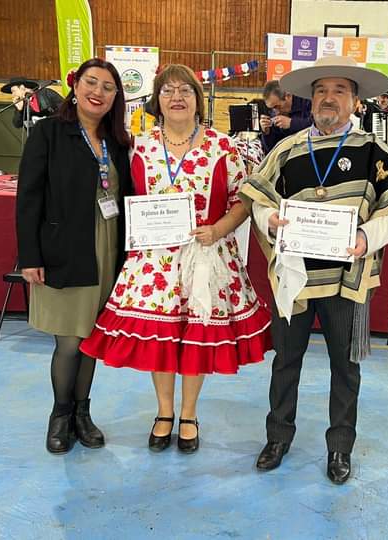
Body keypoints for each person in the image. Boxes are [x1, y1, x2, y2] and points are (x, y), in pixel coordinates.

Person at [80, 64, 272, 454]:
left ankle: (189, 413)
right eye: (168, 91)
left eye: (185, 90)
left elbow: (242, 200)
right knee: (163, 339)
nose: (177, 97)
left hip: (207, 254)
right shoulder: (140, 145)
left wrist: (218, 229)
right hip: (154, 262)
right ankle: (163, 412)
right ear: (157, 101)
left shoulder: (222, 146)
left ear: (198, 100)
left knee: (197, 338)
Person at [239, 56, 388, 484]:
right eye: (320, 91)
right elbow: (258, 198)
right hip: (294, 279)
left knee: (345, 366)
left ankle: (340, 447)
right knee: (286, 362)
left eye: (338, 91)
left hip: (346, 281)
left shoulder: (375, 152)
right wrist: (269, 220)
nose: (327, 98)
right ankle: (278, 436)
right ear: (310, 100)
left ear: (355, 101)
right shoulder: (287, 148)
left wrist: (366, 239)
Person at [16, 58, 132, 454]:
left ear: (116, 97)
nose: (97, 92)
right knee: (68, 342)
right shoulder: (48, 133)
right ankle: (60, 415)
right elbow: (28, 197)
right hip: (64, 250)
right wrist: (29, 255)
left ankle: (83, 414)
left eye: (108, 87)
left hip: (107, 249)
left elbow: (128, 198)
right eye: (91, 82)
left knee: (91, 340)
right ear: (76, 86)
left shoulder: (118, 142)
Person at [259, 80, 312, 153]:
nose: (276, 112)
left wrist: (292, 123)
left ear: (288, 96)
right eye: (272, 108)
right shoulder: (273, 112)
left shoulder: (308, 101)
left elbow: (319, 126)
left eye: (277, 106)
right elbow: (271, 151)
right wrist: (267, 133)